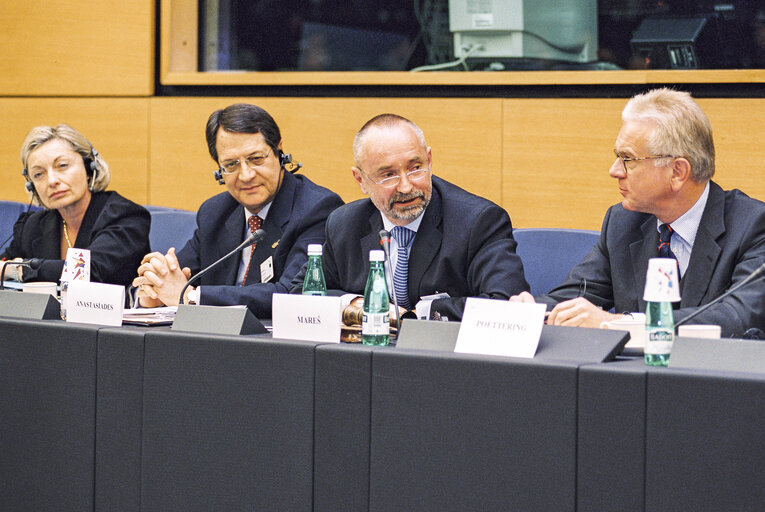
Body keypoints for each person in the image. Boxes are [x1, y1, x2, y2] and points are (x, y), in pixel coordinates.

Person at [513, 88, 765, 338]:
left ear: (677, 172)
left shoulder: (752, 227)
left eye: (628, 159)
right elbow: (575, 296)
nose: (615, 171)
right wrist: (529, 311)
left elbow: (738, 317)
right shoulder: (623, 223)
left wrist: (618, 323)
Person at [291, 113, 528, 320]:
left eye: (415, 168)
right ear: (360, 180)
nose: (406, 187)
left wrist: (418, 314)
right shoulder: (344, 224)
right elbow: (301, 293)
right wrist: (361, 306)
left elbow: (506, 303)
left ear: (430, 160)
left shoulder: (478, 221)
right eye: (388, 175)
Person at [133, 103, 343, 317]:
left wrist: (191, 298)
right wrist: (155, 290)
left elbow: (291, 293)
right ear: (219, 171)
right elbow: (178, 278)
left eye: (256, 159)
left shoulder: (316, 208)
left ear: (279, 152)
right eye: (231, 165)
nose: (246, 175)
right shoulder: (215, 212)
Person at [0, 124, 150, 286]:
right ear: (32, 185)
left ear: (89, 168)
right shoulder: (32, 225)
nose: (52, 181)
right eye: (38, 174)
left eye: (62, 166)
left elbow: (89, 271)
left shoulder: (125, 216)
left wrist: (17, 270)